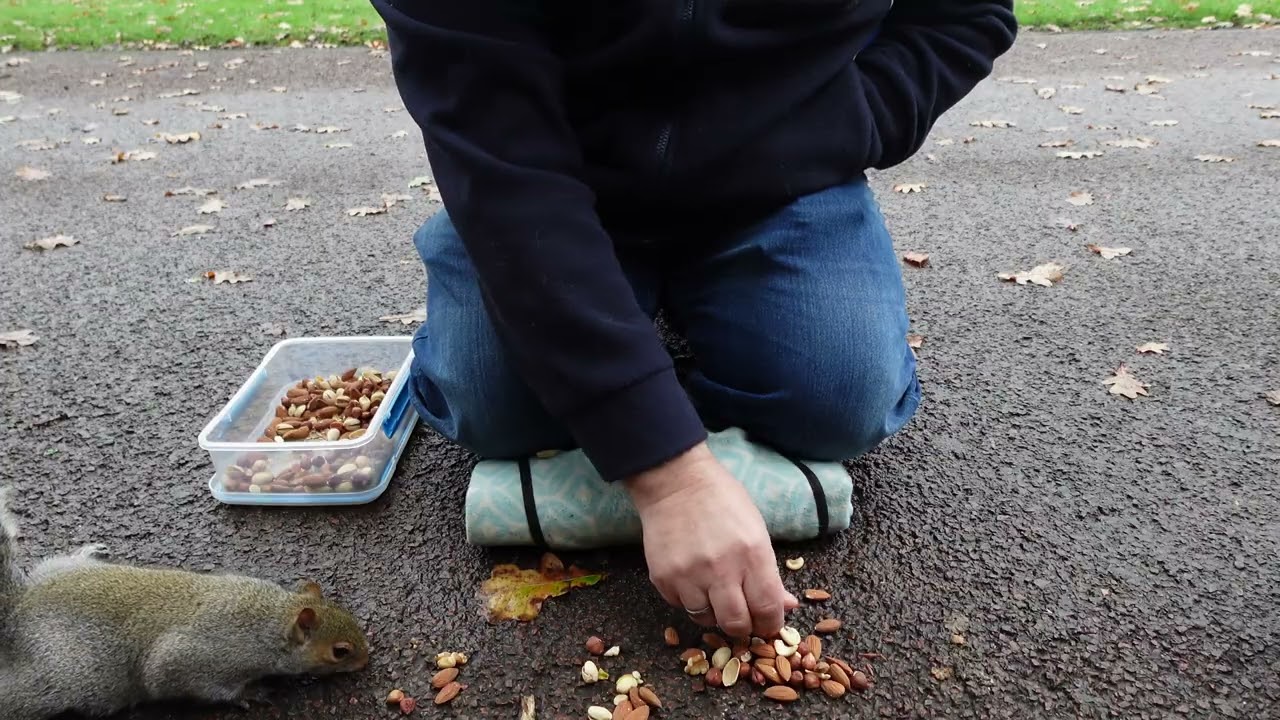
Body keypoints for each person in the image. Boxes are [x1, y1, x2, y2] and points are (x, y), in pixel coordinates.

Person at [370, 0, 1017, 639]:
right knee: (497, 411)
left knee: (840, 400)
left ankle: (645, 335)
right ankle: (596, 322)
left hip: (784, 180)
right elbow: (495, 145)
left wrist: (852, 121)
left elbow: (966, 14)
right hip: (543, 178)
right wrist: (670, 481)